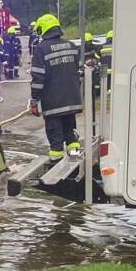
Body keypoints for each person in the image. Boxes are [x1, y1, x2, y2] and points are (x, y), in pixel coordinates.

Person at [29, 13, 82, 161]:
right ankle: (75, 161)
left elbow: (38, 78)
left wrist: (34, 99)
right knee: (70, 134)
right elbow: (76, 71)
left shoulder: (41, 49)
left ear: (42, 30)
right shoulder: (71, 46)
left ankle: (56, 169)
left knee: (56, 140)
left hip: (53, 103)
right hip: (72, 100)